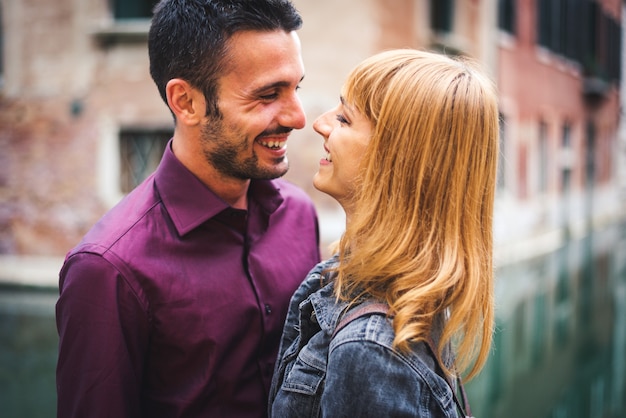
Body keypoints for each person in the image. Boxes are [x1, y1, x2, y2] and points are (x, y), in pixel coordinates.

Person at [55, 0, 321, 416]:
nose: (298, 117)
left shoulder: (300, 216)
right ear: (186, 102)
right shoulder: (108, 270)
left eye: (296, 88)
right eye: (268, 94)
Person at [269, 49, 499, 417]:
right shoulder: (375, 287)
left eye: (344, 118)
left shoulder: (372, 354)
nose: (319, 124)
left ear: (394, 157)